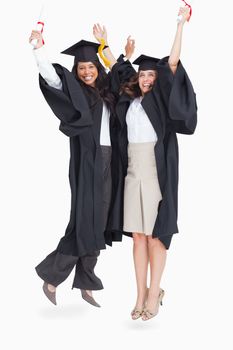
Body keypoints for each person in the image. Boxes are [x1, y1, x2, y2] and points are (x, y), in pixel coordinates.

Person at [29, 25, 135, 307]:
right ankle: (52, 276)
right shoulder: (75, 91)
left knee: (100, 221)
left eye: (91, 66)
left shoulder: (106, 90)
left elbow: (126, 78)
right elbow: (52, 78)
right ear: (76, 72)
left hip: (111, 160)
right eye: (81, 68)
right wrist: (38, 49)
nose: (86, 71)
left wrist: (108, 46)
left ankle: (86, 280)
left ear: (97, 69)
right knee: (84, 220)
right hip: (87, 163)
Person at [107, 7, 197, 320]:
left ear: (157, 80)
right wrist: (109, 48)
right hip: (134, 172)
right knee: (139, 236)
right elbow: (118, 71)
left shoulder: (161, 100)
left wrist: (180, 25)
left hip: (157, 172)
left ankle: (155, 292)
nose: (146, 78)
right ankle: (140, 294)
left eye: (151, 75)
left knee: (157, 234)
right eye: (142, 74)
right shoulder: (130, 100)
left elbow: (172, 63)